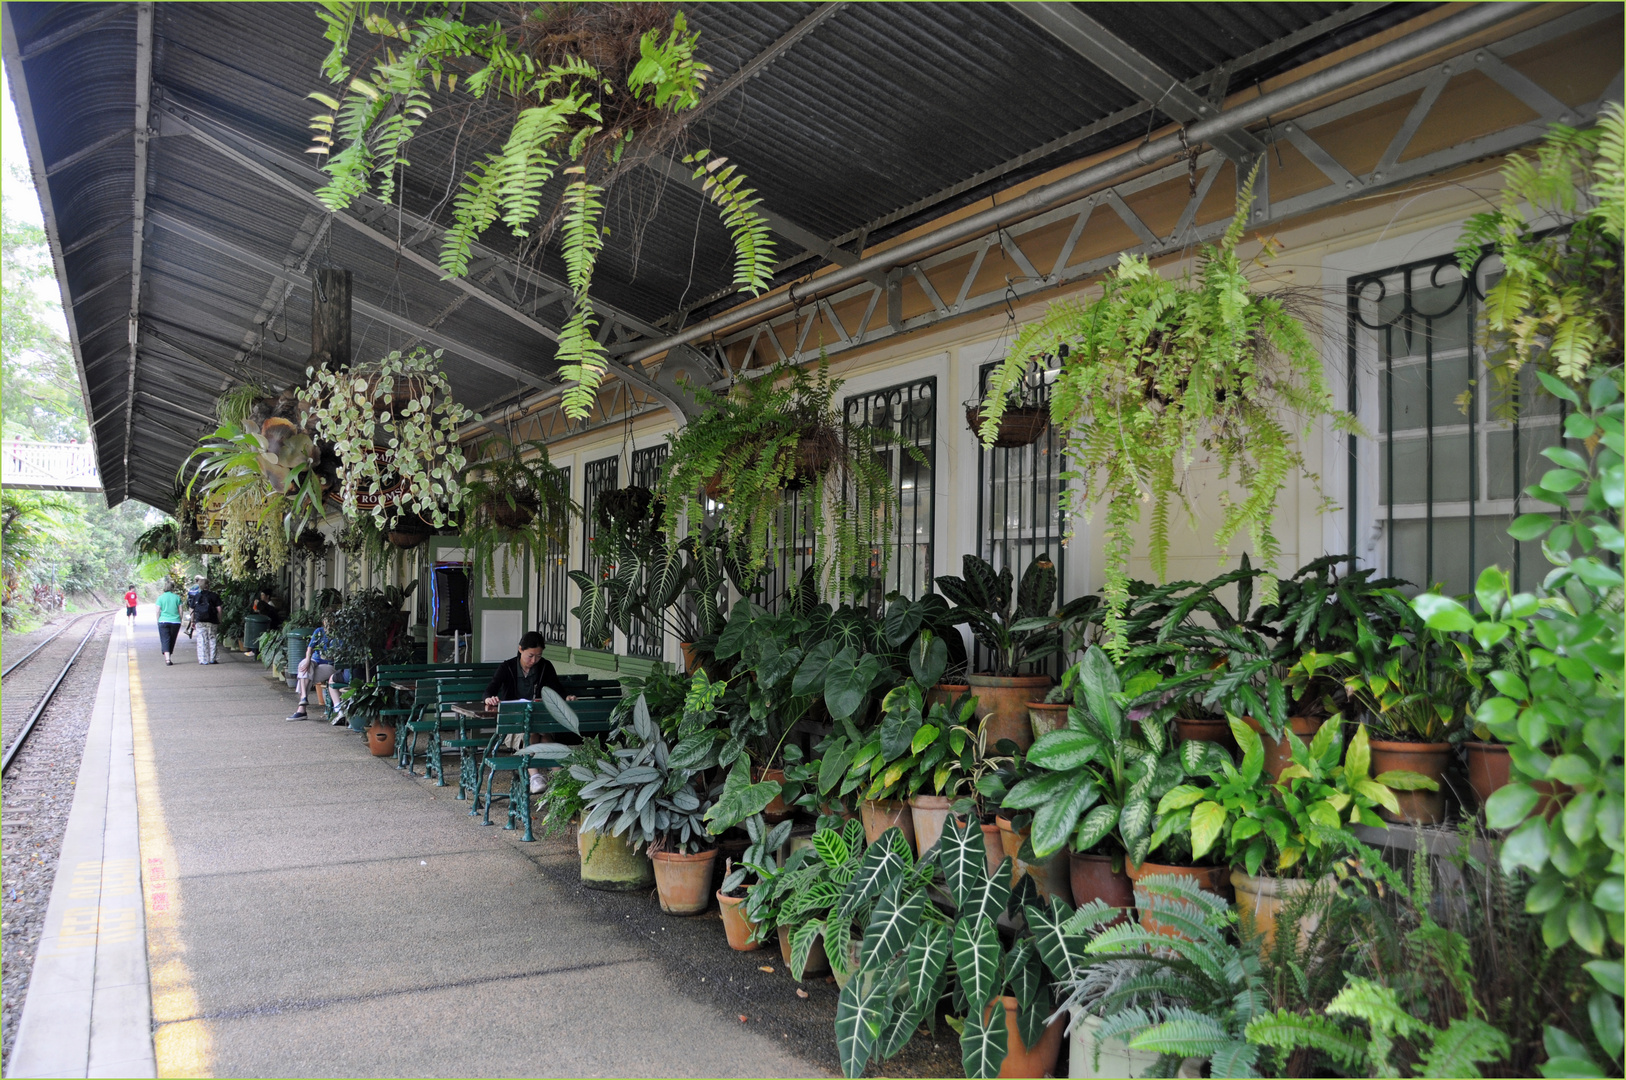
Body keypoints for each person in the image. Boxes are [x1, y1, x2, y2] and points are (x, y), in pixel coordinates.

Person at [484, 631, 576, 794]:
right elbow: (490, 689)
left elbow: (557, 689)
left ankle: (555, 777)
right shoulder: (507, 667)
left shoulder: (545, 667)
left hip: (539, 720)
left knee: (544, 735)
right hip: (514, 725)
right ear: (520, 649)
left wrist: (566, 697)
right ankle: (538, 776)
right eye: (530, 656)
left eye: (538, 656)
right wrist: (489, 699)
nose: (534, 661)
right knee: (534, 734)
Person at [288, 617, 343, 723]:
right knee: (304, 665)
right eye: (327, 622)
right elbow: (310, 648)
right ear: (323, 622)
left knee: (305, 675)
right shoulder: (319, 631)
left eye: (332, 621)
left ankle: (301, 709)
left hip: (329, 665)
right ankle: (303, 698)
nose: (329, 624)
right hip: (315, 661)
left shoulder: (340, 634)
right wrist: (308, 659)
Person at [191, 578, 222, 665]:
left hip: (200, 621)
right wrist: (219, 620)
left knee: (201, 639)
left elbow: (192, 609)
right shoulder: (214, 596)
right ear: (208, 585)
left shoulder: (196, 596)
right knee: (212, 638)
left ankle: (203, 659)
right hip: (212, 621)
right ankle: (213, 658)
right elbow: (219, 609)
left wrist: (192, 621)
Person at [155, 581, 184, 665]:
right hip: (175, 622)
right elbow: (181, 610)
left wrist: (158, 620)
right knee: (172, 639)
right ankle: (169, 655)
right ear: (172, 588)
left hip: (163, 621)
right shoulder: (177, 597)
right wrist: (180, 619)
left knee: (165, 639)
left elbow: (157, 611)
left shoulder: (160, 598)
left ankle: (167, 659)